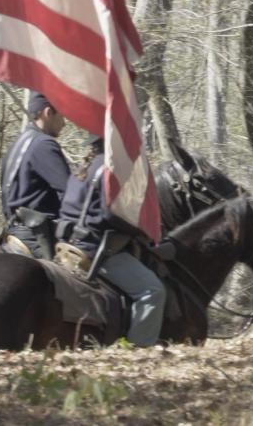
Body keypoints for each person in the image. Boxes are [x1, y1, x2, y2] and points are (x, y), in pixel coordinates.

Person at [58, 136, 165, 347]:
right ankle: (138, 352)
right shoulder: (109, 169)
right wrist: (142, 228)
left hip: (68, 245)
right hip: (96, 250)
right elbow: (111, 216)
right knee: (152, 291)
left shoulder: (84, 167)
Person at [0, 90, 71, 258]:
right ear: (48, 113)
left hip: (14, 233)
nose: (64, 123)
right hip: (38, 238)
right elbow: (69, 193)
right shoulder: (44, 144)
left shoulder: (16, 144)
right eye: (61, 116)